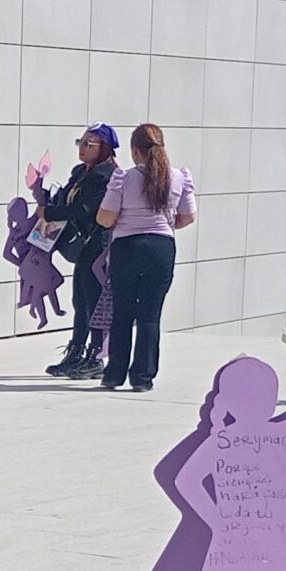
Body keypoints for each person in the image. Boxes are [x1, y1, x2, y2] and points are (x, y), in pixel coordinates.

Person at [96, 122, 196, 392]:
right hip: (161, 248)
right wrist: (164, 224)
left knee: (122, 312)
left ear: (135, 151)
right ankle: (142, 377)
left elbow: (105, 218)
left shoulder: (124, 178)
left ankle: (114, 374)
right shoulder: (178, 177)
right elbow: (188, 217)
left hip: (127, 247)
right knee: (150, 316)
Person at [32, 124, 119, 377]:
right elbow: (65, 199)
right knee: (80, 300)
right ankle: (76, 351)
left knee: (94, 300)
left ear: (104, 148)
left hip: (98, 244)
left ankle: (96, 356)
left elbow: (85, 209)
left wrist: (49, 213)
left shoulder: (107, 175)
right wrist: (43, 195)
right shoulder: (80, 172)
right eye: (81, 142)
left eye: (89, 144)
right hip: (81, 244)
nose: (82, 148)